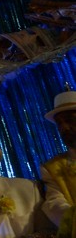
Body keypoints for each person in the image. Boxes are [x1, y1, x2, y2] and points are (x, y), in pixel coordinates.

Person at [41, 89, 76, 226]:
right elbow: (55, 204)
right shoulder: (52, 168)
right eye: (59, 123)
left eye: (70, 120)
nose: (65, 128)